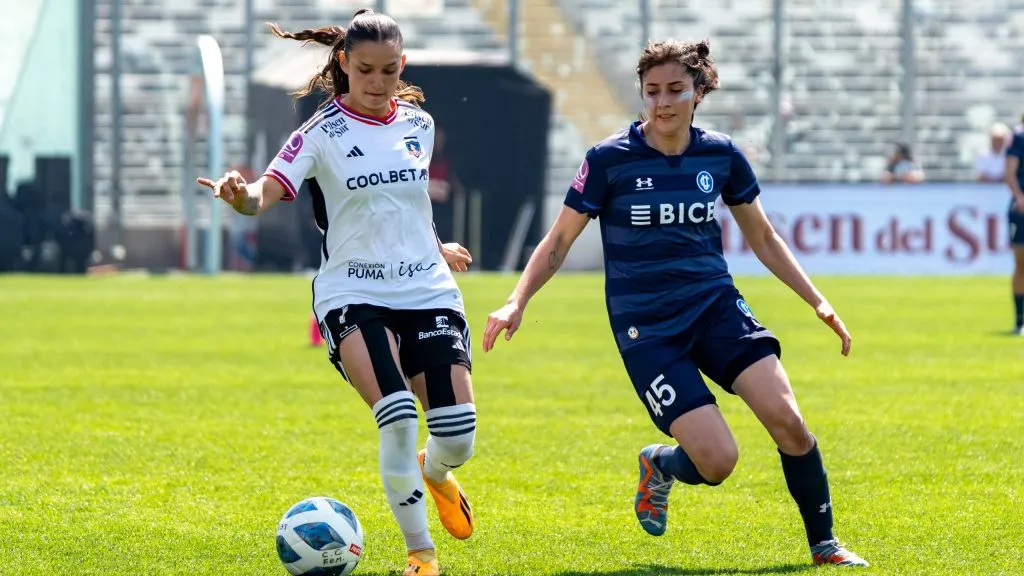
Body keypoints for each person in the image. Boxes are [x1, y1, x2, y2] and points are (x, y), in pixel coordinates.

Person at [483, 39, 869, 568]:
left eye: (675, 91)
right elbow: (556, 244)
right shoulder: (607, 160)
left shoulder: (721, 154)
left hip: (715, 306)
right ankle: (661, 463)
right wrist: (515, 301)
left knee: (787, 420)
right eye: (651, 92)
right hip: (648, 329)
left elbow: (763, 237)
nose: (662, 103)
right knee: (718, 461)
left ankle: (825, 545)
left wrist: (817, 301)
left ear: (699, 91)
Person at [197, 10, 476, 576]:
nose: (377, 82)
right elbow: (263, 194)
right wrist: (240, 197)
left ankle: (437, 471)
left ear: (403, 67)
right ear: (344, 64)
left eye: (389, 70)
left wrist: (435, 245)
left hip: (426, 287)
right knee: (397, 416)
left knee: (459, 436)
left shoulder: (418, 126)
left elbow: (408, 206)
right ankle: (421, 555)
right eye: (366, 69)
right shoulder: (319, 133)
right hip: (353, 293)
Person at [1002, 121, 1024, 335]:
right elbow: (1009, 171)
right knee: (1021, 264)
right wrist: (1019, 197)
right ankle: (1020, 321)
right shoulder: (1019, 136)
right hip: (1021, 211)